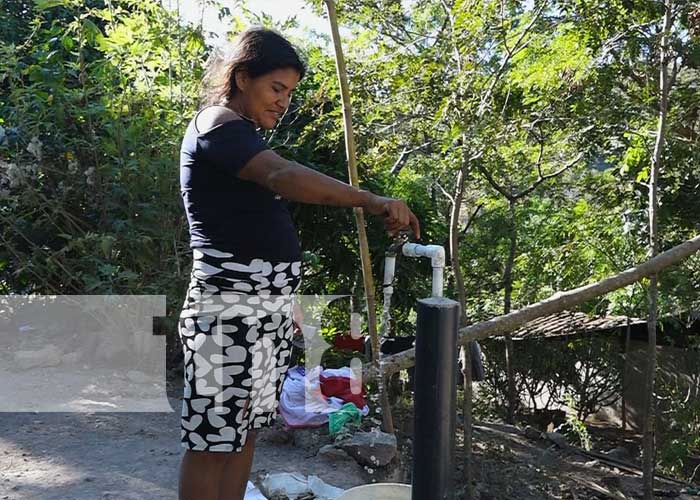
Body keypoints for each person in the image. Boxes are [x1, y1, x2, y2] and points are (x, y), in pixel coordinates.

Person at [177, 27, 420, 500]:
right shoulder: (217, 125)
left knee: (245, 431)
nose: (284, 102)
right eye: (276, 88)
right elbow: (283, 175)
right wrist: (370, 200)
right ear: (242, 78)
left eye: (289, 92)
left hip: (262, 313)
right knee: (212, 442)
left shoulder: (242, 135)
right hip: (227, 311)